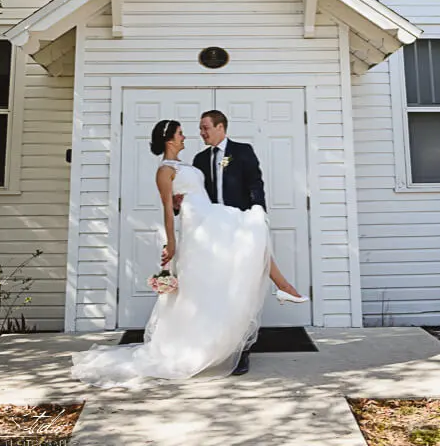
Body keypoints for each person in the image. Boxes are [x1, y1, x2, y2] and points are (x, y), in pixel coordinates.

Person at [70, 118, 272, 388]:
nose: (186, 136)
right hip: (197, 230)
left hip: (215, 224)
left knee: (221, 285)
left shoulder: (192, 164)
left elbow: (201, 192)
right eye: (180, 134)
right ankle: (199, 346)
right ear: (169, 139)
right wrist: (171, 241)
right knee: (199, 289)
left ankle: (226, 345)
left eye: (199, 130)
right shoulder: (165, 170)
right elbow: (168, 209)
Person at [191, 109, 307, 375]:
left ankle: (241, 351)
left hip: (240, 227)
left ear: (221, 127)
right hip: (212, 232)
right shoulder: (199, 159)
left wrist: (258, 213)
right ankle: (217, 349)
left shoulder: (243, 151)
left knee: (241, 290)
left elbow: (256, 183)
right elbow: (195, 195)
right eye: (200, 128)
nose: (202, 132)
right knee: (218, 290)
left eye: (205, 127)